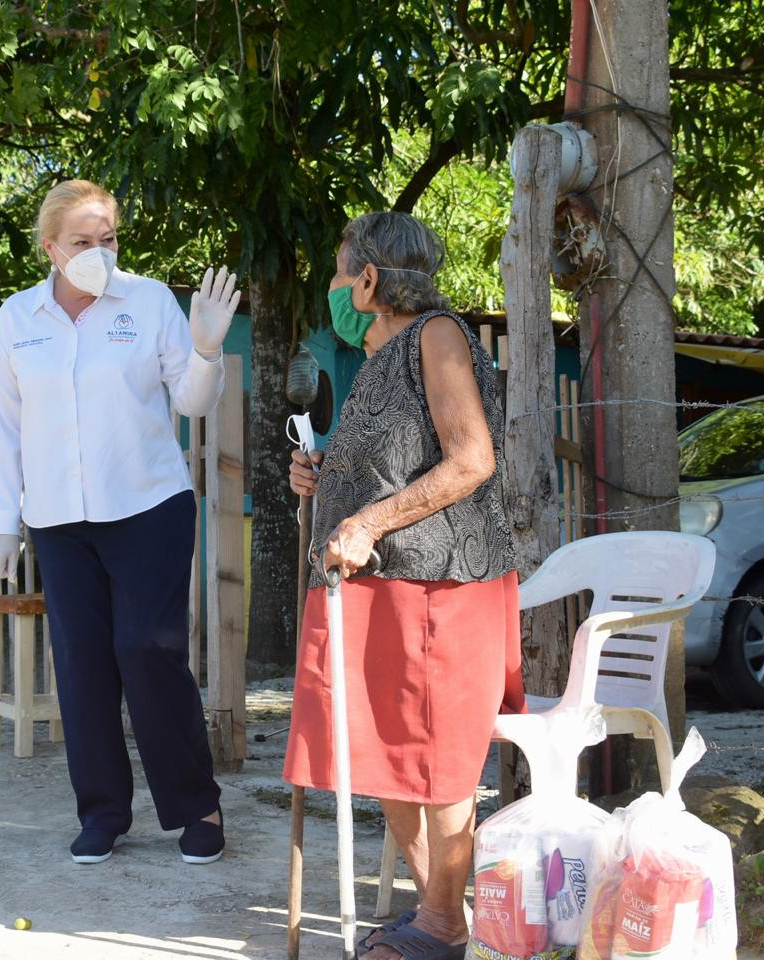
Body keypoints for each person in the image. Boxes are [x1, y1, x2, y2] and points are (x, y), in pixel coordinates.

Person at [284, 211, 524, 959]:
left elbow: (471, 460)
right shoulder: (378, 359)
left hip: (439, 590)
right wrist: (320, 484)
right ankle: (441, 919)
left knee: (440, 765)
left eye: (337, 269)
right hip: (385, 590)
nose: (331, 286)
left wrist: (365, 524)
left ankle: (444, 925)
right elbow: (395, 467)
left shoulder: (438, 335)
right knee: (387, 754)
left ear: (367, 279)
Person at [0, 179, 240, 865]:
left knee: (148, 653)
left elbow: (191, 401)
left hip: (148, 508)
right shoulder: (18, 317)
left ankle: (196, 806)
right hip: (59, 520)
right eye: (82, 241)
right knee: (82, 665)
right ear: (49, 248)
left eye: (109, 239)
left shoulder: (149, 301)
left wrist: (207, 351)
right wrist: (0, 522)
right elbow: (6, 428)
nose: (99, 251)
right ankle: (102, 811)